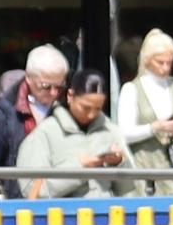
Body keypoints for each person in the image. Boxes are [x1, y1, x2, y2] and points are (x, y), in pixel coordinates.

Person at [17, 69, 129, 198]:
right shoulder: (43, 134)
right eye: (86, 108)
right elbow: (32, 191)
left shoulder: (111, 131)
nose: (91, 114)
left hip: (109, 214)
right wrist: (79, 167)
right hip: (63, 216)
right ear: (70, 96)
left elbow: (132, 188)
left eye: (98, 108)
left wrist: (119, 163)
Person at [0, 45, 69, 198]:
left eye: (60, 86)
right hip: (19, 205)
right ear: (29, 78)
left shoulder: (69, 106)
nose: (54, 93)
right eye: (46, 86)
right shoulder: (3, 114)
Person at [117, 28, 173, 195]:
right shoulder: (131, 90)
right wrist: (154, 127)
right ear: (147, 60)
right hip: (143, 171)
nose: (165, 67)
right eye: (160, 62)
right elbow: (123, 134)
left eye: (170, 62)